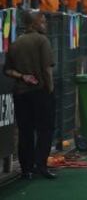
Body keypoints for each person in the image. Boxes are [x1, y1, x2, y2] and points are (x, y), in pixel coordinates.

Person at [4, 11, 56, 180]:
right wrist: (50, 89)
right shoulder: (42, 41)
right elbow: (47, 69)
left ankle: (26, 169)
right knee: (45, 129)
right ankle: (41, 166)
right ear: (34, 24)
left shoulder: (15, 43)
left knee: (25, 131)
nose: (46, 24)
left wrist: (22, 76)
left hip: (20, 93)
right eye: (43, 21)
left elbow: (7, 70)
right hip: (40, 92)